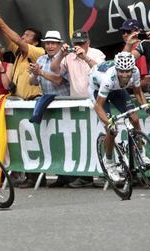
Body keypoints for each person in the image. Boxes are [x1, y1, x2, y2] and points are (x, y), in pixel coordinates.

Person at [47, 29, 105, 188]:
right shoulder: (69, 57)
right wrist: (61, 54)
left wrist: (84, 57)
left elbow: (103, 71)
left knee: (101, 137)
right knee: (82, 141)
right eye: (76, 43)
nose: (79, 46)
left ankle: (104, 173)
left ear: (88, 42)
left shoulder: (96, 53)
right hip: (78, 104)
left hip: (97, 102)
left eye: (82, 43)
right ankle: (86, 176)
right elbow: (54, 69)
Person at [89, 52, 150, 182]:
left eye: (127, 71)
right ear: (117, 69)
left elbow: (138, 92)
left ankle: (141, 153)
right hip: (98, 90)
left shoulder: (135, 71)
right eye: (122, 72)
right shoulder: (109, 78)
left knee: (134, 118)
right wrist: (109, 123)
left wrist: (147, 107)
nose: (125, 75)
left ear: (132, 69)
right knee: (111, 130)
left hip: (117, 89)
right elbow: (98, 106)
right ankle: (109, 162)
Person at [0, 5, 44, 100]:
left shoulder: (39, 52)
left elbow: (18, 40)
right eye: (23, 34)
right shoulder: (19, 52)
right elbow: (7, 36)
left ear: (36, 42)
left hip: (33, 100)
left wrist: (1, 22)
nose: (23, 37)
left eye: (27, 36)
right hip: (18, 101)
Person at [28, 31, 69, 124]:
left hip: (65, 105)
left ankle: (36, 115)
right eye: (47, 43)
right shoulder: (40, 59)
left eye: (53, 43)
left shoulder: (66, 59)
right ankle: (36, 115)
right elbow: (32, 83)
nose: (50, 46)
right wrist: (35, 74)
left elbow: (59, 81)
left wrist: (40, 72)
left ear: (59, 45)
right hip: (48, 107)